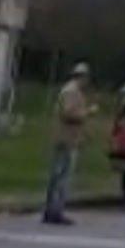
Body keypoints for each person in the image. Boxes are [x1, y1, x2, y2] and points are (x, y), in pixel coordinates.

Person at [42, 62, 98, 226]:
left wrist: (85, 135)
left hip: (69, 138)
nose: (87, 81)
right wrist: (88, 112)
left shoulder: (74, 92)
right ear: (80, 77)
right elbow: (68, 113)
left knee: (59, 176)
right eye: (85, 77)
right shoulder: (71, 92)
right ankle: (55, 211)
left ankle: (52, 210)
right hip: (65, 140)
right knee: (61, 177)